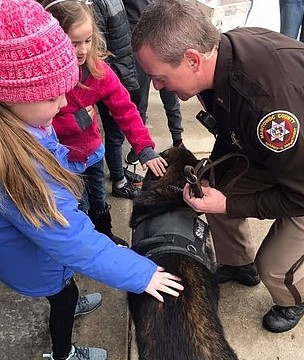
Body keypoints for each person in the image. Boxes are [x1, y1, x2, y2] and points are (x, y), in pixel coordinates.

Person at [0, 2, 183, 360]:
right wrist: (141, 274)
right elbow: (71, 239)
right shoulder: (22, 170)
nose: (63, 103)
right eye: (53, 96)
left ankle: (67, 286)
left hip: (45, 248)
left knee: (68, 275)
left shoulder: (28, 126)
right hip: (38, 262)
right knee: (62, 295)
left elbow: (61, 154)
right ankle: (64, 353)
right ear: (12, 96)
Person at [132, 0, 304, 334]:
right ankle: (240, 264)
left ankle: (292, 298)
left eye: (159, 77)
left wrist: (231, 205)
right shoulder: (222, 58)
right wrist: (218, 187)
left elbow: (300, 194)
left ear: (192, 59)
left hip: (300, 178)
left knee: (274, 267)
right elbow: (232, 129)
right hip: (274, 157)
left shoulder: (269, 109)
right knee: (208, 186)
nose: (156, 86)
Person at [40, 0, 167, 246]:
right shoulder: (44, 79)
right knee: (79, 204)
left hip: (93, 153)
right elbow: (35, 126)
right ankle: (87, 245)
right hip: (63, 160)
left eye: (88, 40)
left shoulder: (98, 70)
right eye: (74, 43)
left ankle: (105, 234)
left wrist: (144, 147)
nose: (83, 50)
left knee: (98, 198)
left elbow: (125, 109)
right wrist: (76, 120)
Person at [122, 0, 185, 166]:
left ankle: (178, 139)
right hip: (138, 50)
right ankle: (141, 147)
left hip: (165, 44)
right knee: (139, 102)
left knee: (171, 97)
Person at [92, 0, 143, 199]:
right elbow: (101, 51)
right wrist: (114, 84)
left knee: (118, 133)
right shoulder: (95, 4)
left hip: (124, 69)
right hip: (115, 76)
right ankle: (119, 184)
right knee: (114, 133)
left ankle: (117, 171)